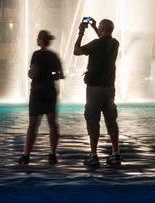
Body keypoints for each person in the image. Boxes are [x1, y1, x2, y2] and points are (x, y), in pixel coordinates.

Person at [73, 16, 121, 166]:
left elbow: (76, 51)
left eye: (99, 27)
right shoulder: (115, 43)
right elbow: (103, 39)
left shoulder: (95, 44)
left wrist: (81, 33)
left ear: (102, 29)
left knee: (93, 122)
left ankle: (93, 155)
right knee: (111, 122)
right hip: (109, 90)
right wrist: (95, 27)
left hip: (94, 90)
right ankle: (115, 154)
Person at [19, 29, 64, 165]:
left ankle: (26, 155)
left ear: (39, 40)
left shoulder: (36, 55)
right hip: (50, 91)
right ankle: (52, 154)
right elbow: (60, 75)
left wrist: (30, 74)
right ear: (49, 41)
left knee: (33, 124)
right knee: (52, 123)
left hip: (37, 92)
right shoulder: (54, 56)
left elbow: (33, 73)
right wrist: (50, 76)